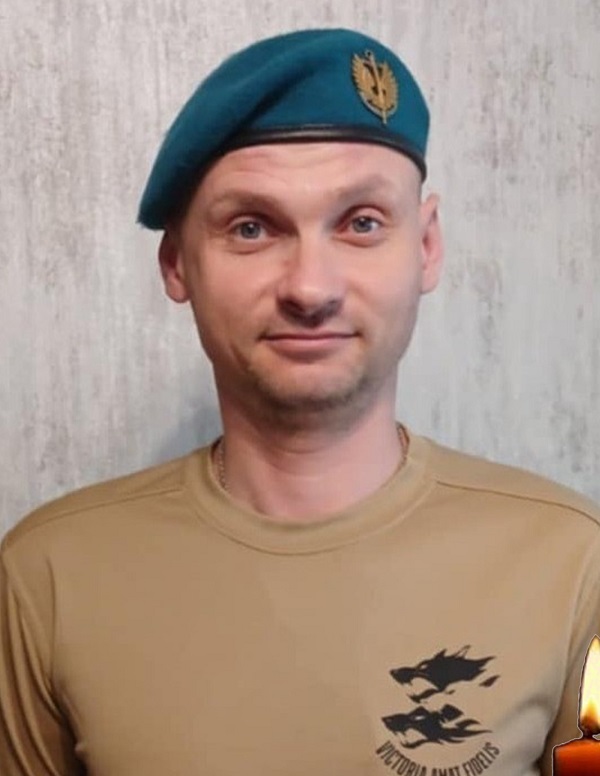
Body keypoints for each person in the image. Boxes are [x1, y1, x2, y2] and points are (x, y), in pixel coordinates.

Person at [1, 28, 598, 776]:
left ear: (426, 246)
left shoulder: (573, 564)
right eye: (252, 228)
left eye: (362, 223)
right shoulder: (48, 578)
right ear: (177, 262)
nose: (311, 288)